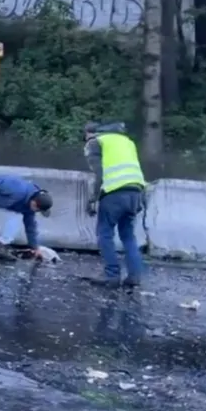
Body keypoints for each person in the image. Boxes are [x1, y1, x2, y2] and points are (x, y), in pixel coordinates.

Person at [81, 121, 147, 289]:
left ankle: (112, 276)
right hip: (136, 191)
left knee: (105, 233)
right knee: (128, 236)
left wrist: (92, 199)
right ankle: (134, 276)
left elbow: (99, 174)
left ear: (90, 133)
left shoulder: (95, 142)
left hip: (114, 193)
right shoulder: (127, 142)